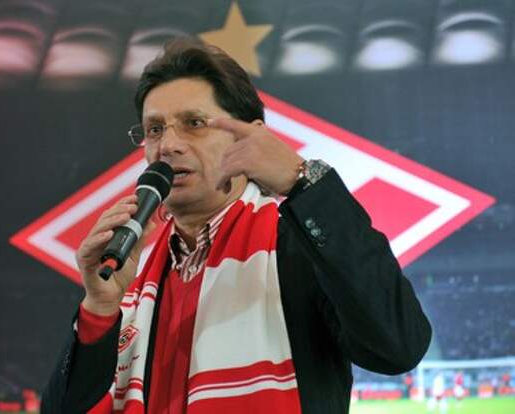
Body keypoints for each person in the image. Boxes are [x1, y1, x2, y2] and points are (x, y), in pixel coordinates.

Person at [41, 38, 432, 414]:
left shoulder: (301, 246)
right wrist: (100, 309)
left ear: (251, 138)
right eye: (155, 129)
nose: (167, 145)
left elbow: (398, 346)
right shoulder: (131, 269)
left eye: (194, 123)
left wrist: (302, 181)